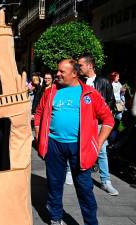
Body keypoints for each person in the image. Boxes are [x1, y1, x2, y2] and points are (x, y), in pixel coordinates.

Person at [34, 59, 114, 225]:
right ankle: (55, 218)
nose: (57, 74)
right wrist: (37, 133)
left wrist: (97, 144)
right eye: (58, 71)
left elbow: (108, 120)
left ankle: (90, 222)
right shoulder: (51, 92)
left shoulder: (90, 94)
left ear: (74, 73)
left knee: (84, 189)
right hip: (54, 145)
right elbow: (39, 112)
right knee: (54, 184)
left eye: (62, 72)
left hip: (80, 147)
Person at [78, 53, 119, 196]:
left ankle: (105, 181)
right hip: (82, 122)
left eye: (81, 65)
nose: (78, 67)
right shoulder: (79, 82)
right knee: (78, 147)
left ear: (90, 65)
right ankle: (74, 173)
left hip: (99, 123)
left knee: (101, 151)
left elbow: (111, 101)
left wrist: (100, 114)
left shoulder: (103, 81)